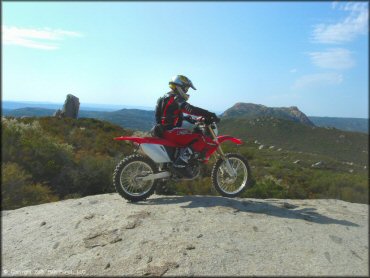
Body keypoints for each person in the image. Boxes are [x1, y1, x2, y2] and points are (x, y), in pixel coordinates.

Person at [153, 75, 220, 177]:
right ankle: (180, 164)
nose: (187, 90)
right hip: (171, 132)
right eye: (186, 88)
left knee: (189, 134)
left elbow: (164, 115)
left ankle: (173, 163)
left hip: (163, 131)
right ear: (179, 87)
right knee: (199, 138)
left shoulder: (163, 98)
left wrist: (187, 119)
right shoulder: (176, 99)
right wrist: (209, 114)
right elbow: (190, 109)